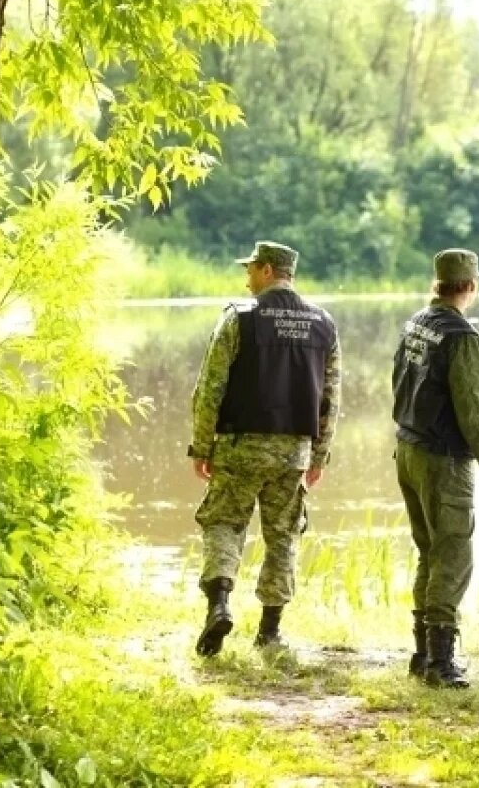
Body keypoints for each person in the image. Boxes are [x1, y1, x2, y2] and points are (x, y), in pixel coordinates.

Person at [188, 241, 342, 657]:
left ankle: (218, 605)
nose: (247, 276)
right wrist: (319, 456)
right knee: (284, 535)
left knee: (223, 523)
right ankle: (270, 632)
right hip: (293, 452)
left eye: (252, 268)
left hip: (239, 447)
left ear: (269, 270)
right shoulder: (323, 324)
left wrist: (201, 446)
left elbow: (209, 389)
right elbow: (330, 399)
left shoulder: (240, 319)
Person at [391, 248, 479, 690]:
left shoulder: (417, 324)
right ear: (472, 286)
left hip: (408, 450)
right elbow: (475, 413)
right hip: (443, 459)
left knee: (430, 551)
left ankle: (423, 654)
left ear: (438, 283)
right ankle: (441, 663)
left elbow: (398, 386)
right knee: (453, 554)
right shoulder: (461, 338)